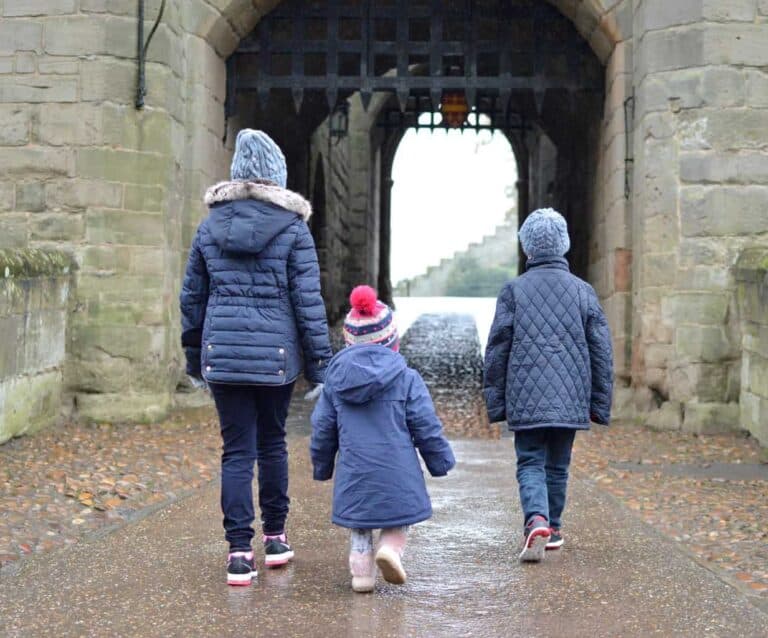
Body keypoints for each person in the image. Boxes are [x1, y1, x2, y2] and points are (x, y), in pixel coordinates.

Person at [180, 129, 333, 586]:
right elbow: (308, 301)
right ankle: (277, 538)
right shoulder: (293, 229)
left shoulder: (209, 228)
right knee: (271, 444)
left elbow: (192, 298)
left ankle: (238, 552)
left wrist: (194, 355)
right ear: (276, 176)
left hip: (222, 356)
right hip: (275, 358)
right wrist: (320, 362)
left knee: (236, 452)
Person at [483, 208, 613, 562]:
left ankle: (536, 519)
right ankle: (553, 527)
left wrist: (496, 402)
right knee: (558, 465)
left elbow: (497, 349)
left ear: (527, 249)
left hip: (525, 396)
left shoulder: (513, 291)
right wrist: (599, 403)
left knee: (529, 462)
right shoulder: (583, 291)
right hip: (571, 397)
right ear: (565, 245)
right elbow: (601, 350)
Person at [310, 286, 456, 592]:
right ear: (392, 342)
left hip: (355, 471)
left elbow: (322, 428)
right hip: (397, 471)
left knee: (360, 525)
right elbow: (425, 424)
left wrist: (322, 466)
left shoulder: (335, 383)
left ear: (348, 342)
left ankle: (361, 576)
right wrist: (439, 461)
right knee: (397, 515)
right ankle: (390, 547)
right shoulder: (406, 378)